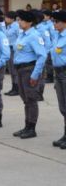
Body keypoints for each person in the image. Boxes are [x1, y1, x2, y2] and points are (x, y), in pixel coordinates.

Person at [12, 10, 47, 139]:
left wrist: (35, 75)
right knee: (25, 99)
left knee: (31, 99)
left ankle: (32, 128)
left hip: (29, 70)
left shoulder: (34, 35)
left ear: (29, 22)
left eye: (21, 20)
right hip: (20, 70)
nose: (18, 22)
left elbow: (42, 56)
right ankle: (26, 126)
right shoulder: (22, 35)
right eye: (18, 20)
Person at [50, 10, 66, 148]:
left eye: (57, 21)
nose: (54, 24)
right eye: (53, 21)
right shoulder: (56, 35)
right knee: (63, 107)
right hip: (58, 73)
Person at [3, 11, 20, 96]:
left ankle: (17, 88)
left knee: (14, 70)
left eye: (7, 17)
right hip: (8, 49)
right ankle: (13, 87)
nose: (5, 19)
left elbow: (20, 38)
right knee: (11, 70)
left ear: (12, 18)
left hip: (14, 50)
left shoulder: (16, 26)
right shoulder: (8, 26)